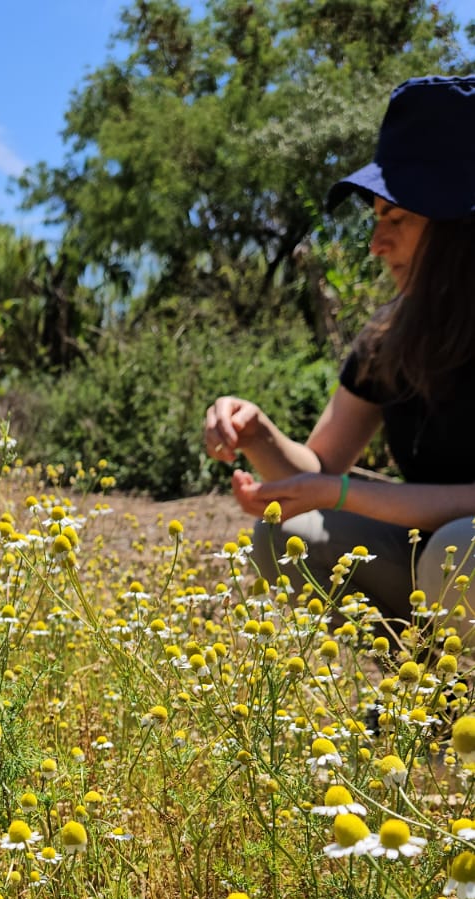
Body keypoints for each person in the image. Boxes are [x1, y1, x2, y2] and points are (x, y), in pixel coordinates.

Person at [204, 75, 475, 626]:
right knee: (288, 533)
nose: (376, 244)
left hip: (455, 554)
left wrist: (340, 492)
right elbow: (319, 468)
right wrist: (258, 436)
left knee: (459, 552)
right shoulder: (392, 335)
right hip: (435, 560)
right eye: (376, 219)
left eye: (397, 218)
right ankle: (416, 680)